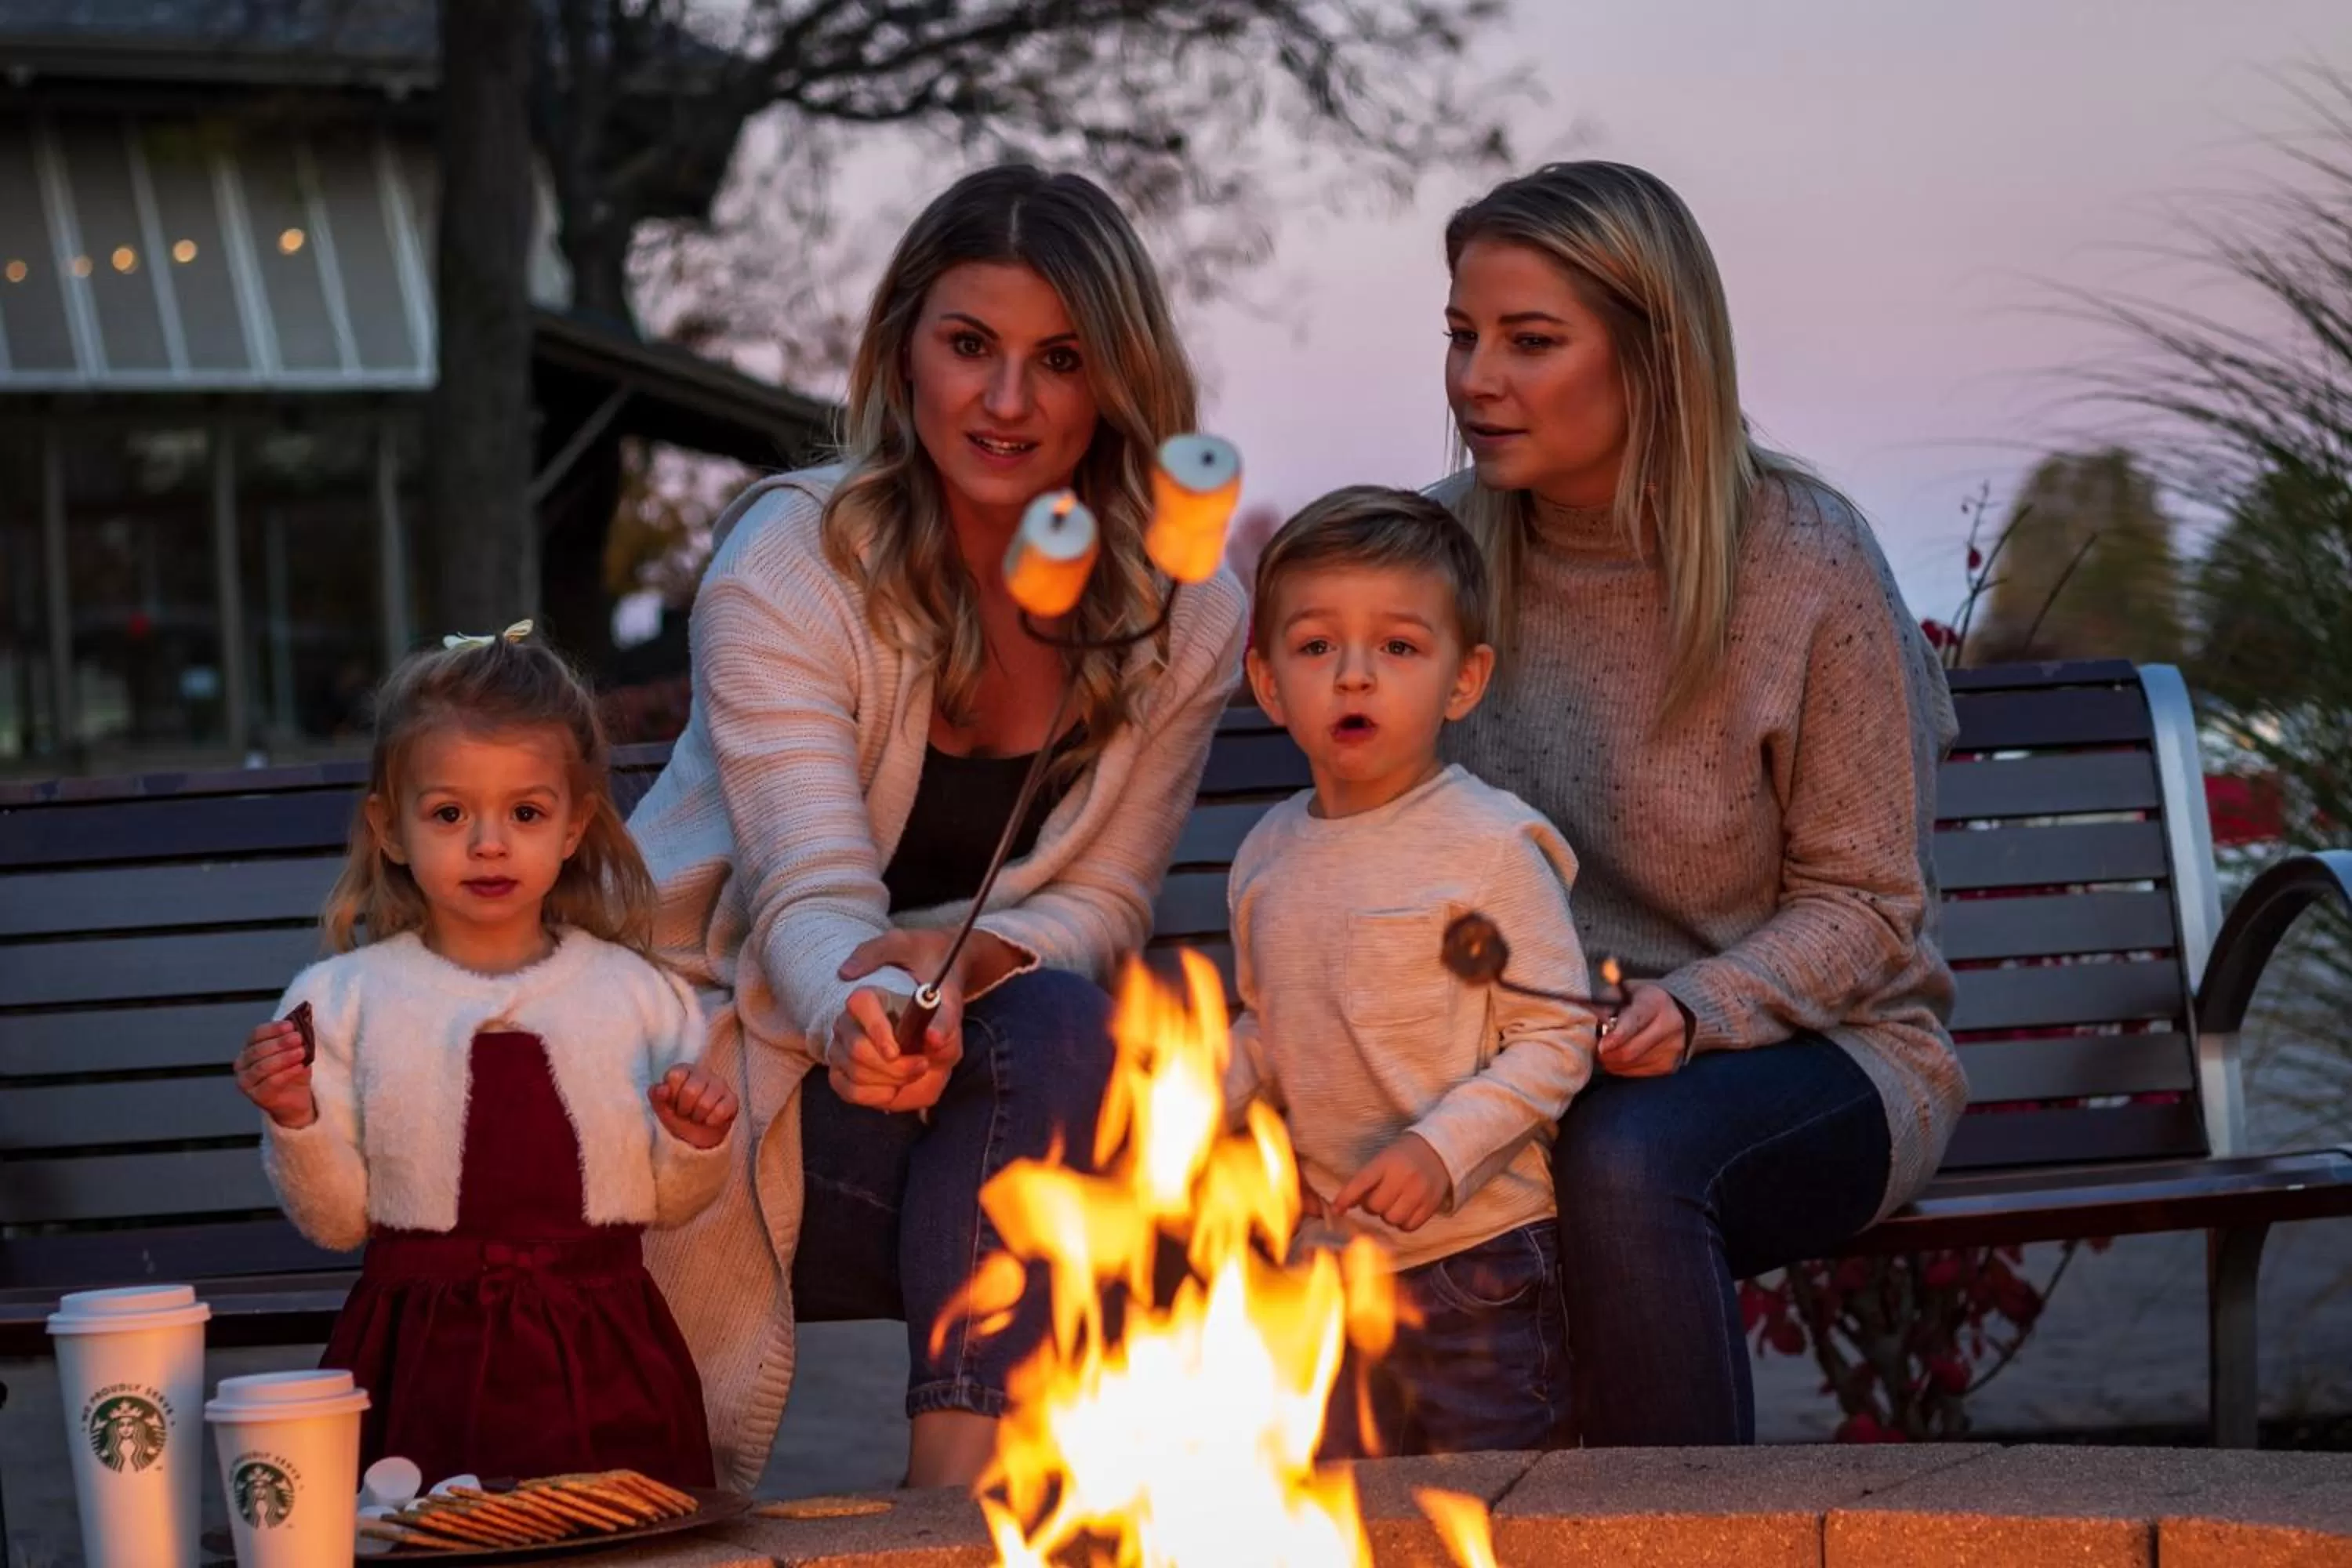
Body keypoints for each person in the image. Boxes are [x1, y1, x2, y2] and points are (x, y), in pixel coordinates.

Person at [627, 163, 1249, 1490]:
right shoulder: (791, 568)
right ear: (904, 348)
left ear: (1117, 383)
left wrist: (971, 963)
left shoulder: (1183, 612)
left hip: (1007, 1106)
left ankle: (948, 1504)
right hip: (751, 1096)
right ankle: (965, 1518)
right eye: (971, 346)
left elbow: (1110, 902)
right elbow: (806, 896)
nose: (1009, 402)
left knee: (1068, 1030)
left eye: (1061, 359)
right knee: (1068, 1087)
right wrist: (870, 1006)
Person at [1432, 161, 1967, 1446]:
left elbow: (1868, 908)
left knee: (1625, 1162)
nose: (1475, 378)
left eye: (1530, 341)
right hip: (1543, 1063)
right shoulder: (1435, 559)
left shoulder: (1802, 558)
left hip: (1824, 1054)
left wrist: (1696, 1007)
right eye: (1461, 335)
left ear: (1656, 357)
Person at [232, 623, 738, 1487]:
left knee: (613, 1542)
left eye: (526, 812)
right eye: (449, 813)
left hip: (605, 1355)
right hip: (416, 1360)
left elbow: (669, 1200)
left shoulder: (638, 994)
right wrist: (295, 1116)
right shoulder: (341, 1001)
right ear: (390, 829)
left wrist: (694, 1139)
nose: (488, 843)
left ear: (575, 824)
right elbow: (337, 1221)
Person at [1224, 486, 1595, 1456]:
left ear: (1462, 681)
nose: (1354, 677)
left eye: (1398, 647)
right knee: (1351, 1518)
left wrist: (1440, 1148)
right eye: (1316, 648)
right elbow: (1271, 1025)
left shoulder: (1487, 846)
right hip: (1327, 1268)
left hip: (1477, 1263)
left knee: (1499, 1516)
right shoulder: (1265, 855)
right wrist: (1203, 1095)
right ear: (1267, 683)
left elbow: (1557, 1033)